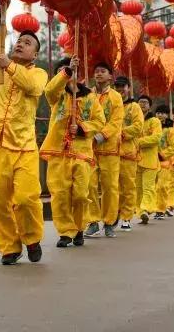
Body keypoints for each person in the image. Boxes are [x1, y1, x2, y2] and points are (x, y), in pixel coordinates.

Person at [0, 11, 47, 265]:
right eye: (19, 40)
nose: (20, 43)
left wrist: (11, 66)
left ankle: (32, 237)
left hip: (24, 146)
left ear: (35, 55)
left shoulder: (38, 74)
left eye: (28, 43)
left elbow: (34, 87)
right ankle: (9, 246)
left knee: (26, 198)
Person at [40, 58, 104, 247]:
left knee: (80, 194)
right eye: (61, 71)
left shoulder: (90, 97)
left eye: (69, 70)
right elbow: (49, 90)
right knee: (59, 194)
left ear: (79, 74)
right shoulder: (57, 95)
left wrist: (84, 127)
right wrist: (67, 71)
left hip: (82, 152)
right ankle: (66, 232)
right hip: (58, 152)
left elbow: (100, 121)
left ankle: (79, 227)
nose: (66, 74)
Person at [85, 62, 124, 239]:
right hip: (90, 148)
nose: (99, 74)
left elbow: (116, 122)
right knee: (89, 184)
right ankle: (92, 221)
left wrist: (100, 136)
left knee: (110, 187)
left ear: (110, 76)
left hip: (109, 149)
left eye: (103, 71)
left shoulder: (116, 97)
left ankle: (109, 222)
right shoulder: (87, 94)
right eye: (96, 71)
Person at [114, 77, 144, 231]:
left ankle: (126, 217)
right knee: (112, 186)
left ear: (128, 88)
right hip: (111, 152)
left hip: (128, 153)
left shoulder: (134, 107)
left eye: (122, 86)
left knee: (128, 186)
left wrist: (120, 133)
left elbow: (138, 127)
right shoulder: (111, 103)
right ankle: (113, 215)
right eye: (117, 86)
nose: (119, 89)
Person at [136, 100, 164, 224]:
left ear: (150, 106)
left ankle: (145, 209)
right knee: (138, 189)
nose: (142, 104)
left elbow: (156, 138)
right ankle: (141, 212)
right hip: (135, 159)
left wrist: (138, 142)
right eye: (140, 102)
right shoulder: (135, 120)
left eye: (145, 102)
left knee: (148, 188)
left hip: (150, 160)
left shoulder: (154, 121)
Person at [153, 106, 174, 219]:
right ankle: (153, 207)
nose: (160, 115)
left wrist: (162, 155)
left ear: (167, 115)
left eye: (162, 113)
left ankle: (160, 209)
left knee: (162, 186)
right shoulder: (152, 126)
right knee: (151, 187)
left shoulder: (170, 130)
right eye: (158, 112)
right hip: (151, 162)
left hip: (164, 163)